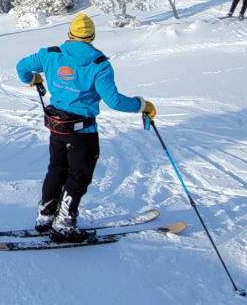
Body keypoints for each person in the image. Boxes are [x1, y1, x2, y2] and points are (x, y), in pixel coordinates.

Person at [15, 13, 156, 242]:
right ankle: (64, 224)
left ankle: (46, 216)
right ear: (91, 37)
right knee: (78, 176)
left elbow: (21, 66)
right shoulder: (99, 64)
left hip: (57, 127)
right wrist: (142, 105)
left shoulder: (51, 55)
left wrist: (32, 79)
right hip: (83, 132)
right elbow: (114, 101)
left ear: (70, 34)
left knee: (57, 168)